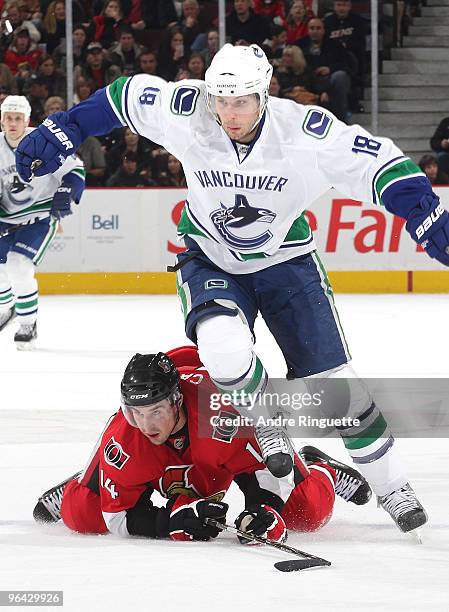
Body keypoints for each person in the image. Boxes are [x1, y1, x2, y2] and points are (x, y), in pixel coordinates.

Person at [15, 44, 448, 533]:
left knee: (337, 390)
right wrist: (65, 126)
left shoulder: (305, 132)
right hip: (209, 257)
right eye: (221, 100)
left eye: (241, 101)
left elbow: (379, 163)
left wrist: (424, 213)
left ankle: (392, 486)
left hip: (288, 265)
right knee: (221, 345)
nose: (228, 113)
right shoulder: (190, 111)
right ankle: (264, 420)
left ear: (265, 95)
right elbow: (123, 96)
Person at [33, 346, 371, 540]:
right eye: (135, 412)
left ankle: (321, 467)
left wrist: (263, 507)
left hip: (229, 447)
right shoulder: (127, 436)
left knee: (306, 512)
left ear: (176, 401)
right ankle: (90, 479)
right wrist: (167, 524)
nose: (145, 424)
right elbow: (116, 518)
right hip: (181, 461)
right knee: (82, 513)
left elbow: (263, 467)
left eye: (156, 411)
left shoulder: (223, 411)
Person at [0, 96, 85, 347]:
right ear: (1, 120)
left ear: (27, 120)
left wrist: (67, 190)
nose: (13, 123)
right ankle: (8, 306)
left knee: (18, 265)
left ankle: (28, 323)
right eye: (8, 118)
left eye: (18, 118)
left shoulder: (43, 140)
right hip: (6, 219)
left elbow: (75, 170)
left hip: (39, 216)